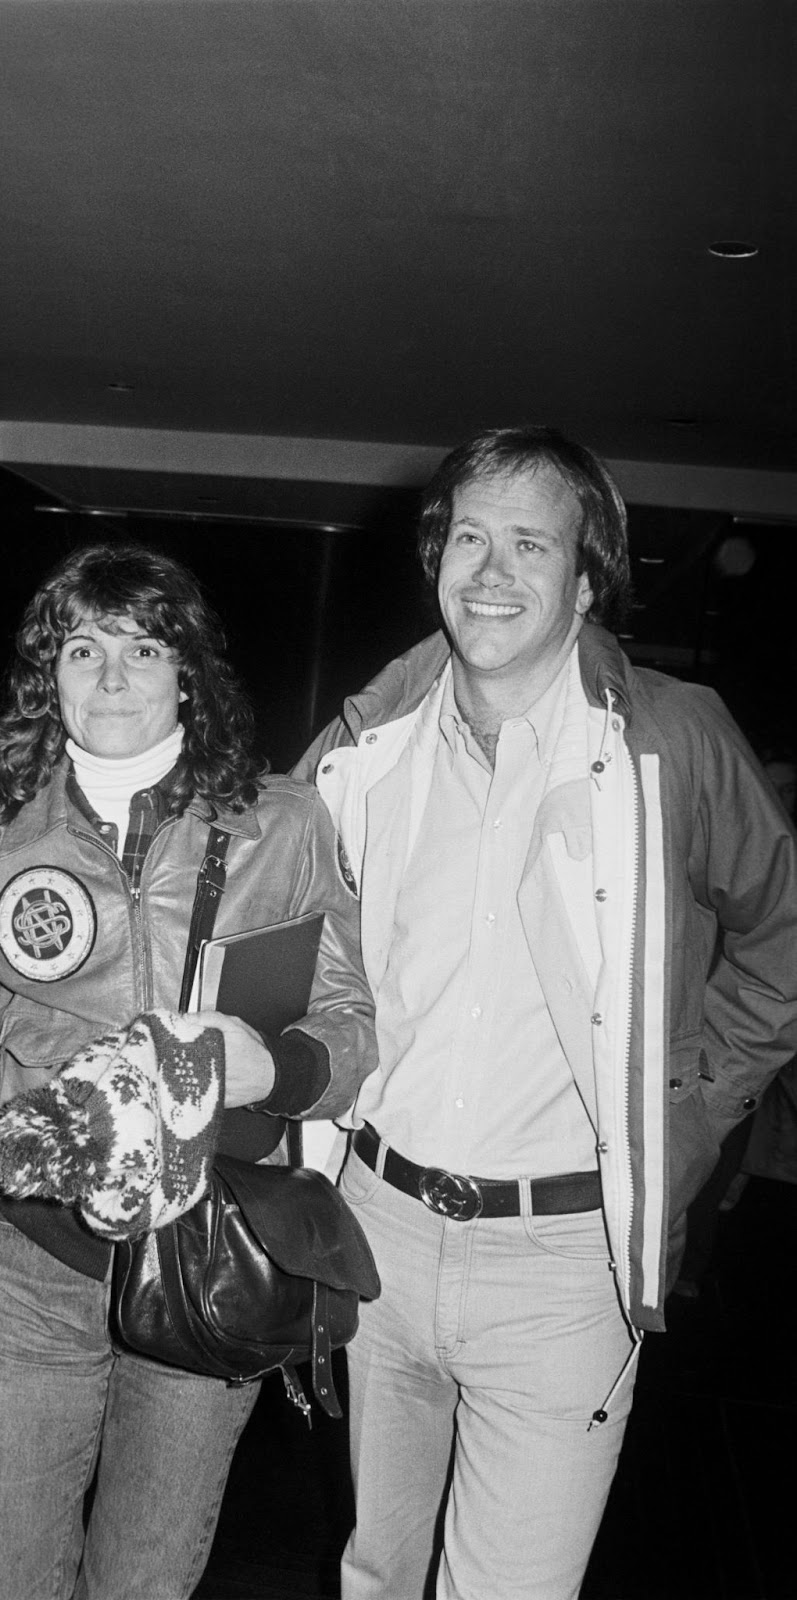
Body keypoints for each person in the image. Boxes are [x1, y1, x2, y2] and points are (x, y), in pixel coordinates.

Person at [294, 426, 797, 1600]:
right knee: (371, 1567)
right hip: (377, 1225)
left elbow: (781, 936)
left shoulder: (668, 737)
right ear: (433, 560)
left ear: (583, 580)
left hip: (560, 1256)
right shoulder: (367, 745)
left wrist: (684, 1106)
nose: (490, 570)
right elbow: (296, 927)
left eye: (530, 543)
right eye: (468, 536)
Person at [0, 543, 375, 1600]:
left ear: (187, 673)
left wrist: (273, 1066)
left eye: (141, 646)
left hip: (211, 1261)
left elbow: (351, 1027)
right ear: (49, 678)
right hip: (36, 1267)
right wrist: (3, 1069)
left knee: (143, 1581)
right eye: (83, 648)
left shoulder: (281, 824)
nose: (112, 676)